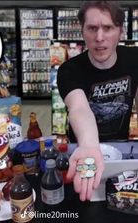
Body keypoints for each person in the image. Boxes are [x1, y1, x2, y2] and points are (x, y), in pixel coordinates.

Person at [57, 1, 138, 201]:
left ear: (120, 31)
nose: (99, 38)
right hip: (83, 151)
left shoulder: (135, 58)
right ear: (83, 31)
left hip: (120, 147)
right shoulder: (69, 70)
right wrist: (89, 146)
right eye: (92, 28)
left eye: (108, 28)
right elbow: (79, 109)